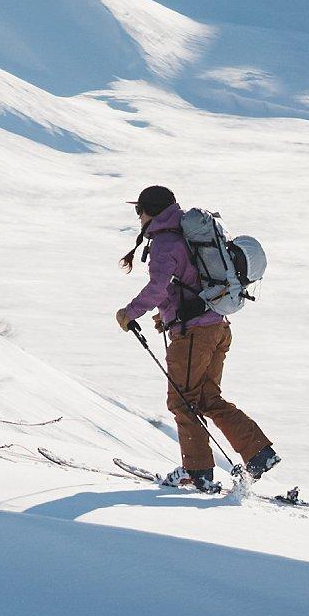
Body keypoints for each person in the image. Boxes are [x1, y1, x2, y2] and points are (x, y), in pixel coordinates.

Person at [116, 184, 278, 492]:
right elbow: (186, 286)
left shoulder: (165, 243)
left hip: (194, 336)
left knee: (182, 400)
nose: (138, 218)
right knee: (206, 398)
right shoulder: (188, 234)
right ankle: (259, 454)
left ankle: (197, 472)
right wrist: (168, 316)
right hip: (218, 327)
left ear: (149, 212)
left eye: (139, 211)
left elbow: (159, 287)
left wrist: (129, 312)